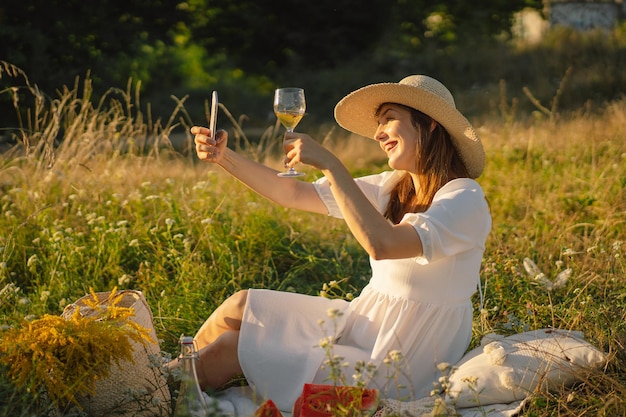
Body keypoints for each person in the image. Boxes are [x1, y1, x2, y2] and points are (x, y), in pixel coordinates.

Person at [187, 75, 491, 411]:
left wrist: (331, 164)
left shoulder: (464, 198)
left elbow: (384, 244)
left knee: (229, 348)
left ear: (430, 125)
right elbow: (291, 192)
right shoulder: (394, 187)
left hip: (395, 361)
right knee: (241, 306)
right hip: (363, 323)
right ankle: (163, 375)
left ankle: (156, 389)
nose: (378, 134)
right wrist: (223, 157)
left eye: (389, 119)